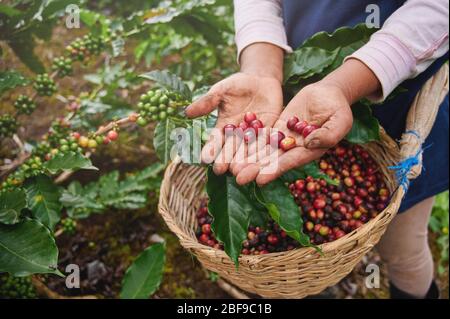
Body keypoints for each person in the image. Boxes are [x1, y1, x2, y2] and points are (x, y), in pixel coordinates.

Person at [185, 0, 449, 299]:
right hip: (293, 98)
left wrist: (344, 86)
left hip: (400, 109)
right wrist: (262, 70)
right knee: (301, 246)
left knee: (405, 251)